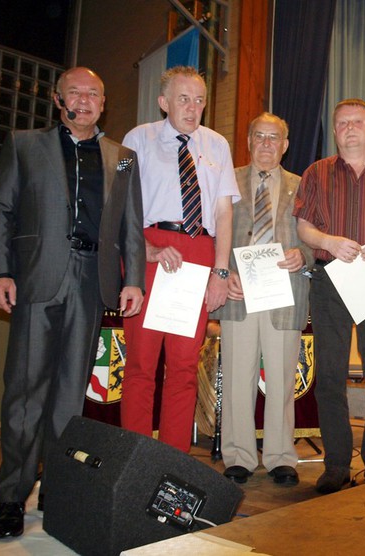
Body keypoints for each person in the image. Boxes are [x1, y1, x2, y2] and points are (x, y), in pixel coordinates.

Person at [0, 67, 145, 539]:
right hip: (37, 276)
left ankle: (56, 491)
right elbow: (1, 210)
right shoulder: (25, 145)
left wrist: (133, 280)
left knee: (70, 397)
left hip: (92, 281)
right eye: (75, 92)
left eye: (94, 93)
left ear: (103, 103)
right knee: (25, 392)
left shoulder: (123, 159)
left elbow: (130, 225)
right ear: (59, 100)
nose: (85, 99)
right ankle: (12, 497)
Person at [121, 66, 238, 453]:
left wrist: (220, 271)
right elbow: (119, 205)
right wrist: (146, 249)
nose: (192, 108)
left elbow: (223, 213)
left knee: (185, 367)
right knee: (141, 365)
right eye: (183, 99)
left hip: (199, 251)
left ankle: (174, 459)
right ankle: (135, 458)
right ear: (163, 102)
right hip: (150, 249)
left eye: (199, 100)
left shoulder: (217, 145)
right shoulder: (136, 140)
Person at [294, 98, 365, 494]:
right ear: (335, 131)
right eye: (342, 123)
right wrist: (328, 241)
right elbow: (304, 227)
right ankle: (336, 464)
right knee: (330, 377)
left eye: (358, 122)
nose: (350, 128)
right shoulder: (316, 172)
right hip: (329, 280)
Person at [211, 113, 312, 486]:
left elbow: (313, 236)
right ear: (248, 141)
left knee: (282, 381)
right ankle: (238, 455)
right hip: (238, 293)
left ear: (285, 145)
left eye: (274, 137)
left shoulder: (302, 186)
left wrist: (304, 255)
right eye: (259, 136)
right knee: (238, 379)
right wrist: (223, 273)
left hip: (285, 294)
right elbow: (212, 233)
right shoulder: (228, 181)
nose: (266, 144)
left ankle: (280, 457)